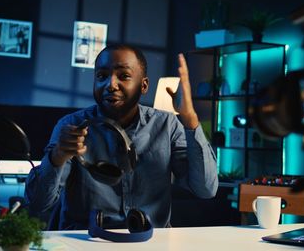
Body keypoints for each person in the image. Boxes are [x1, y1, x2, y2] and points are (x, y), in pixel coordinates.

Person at [25, 44, 218, 230]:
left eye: (124, 76)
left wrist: (190, 119)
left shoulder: (167, 126)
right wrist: (57, 156)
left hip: (150, 243)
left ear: (144, 86)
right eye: (101, 76)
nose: (110, 84)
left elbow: (206, 189)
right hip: (86, 243)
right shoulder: (71, 126)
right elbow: (37, 203)